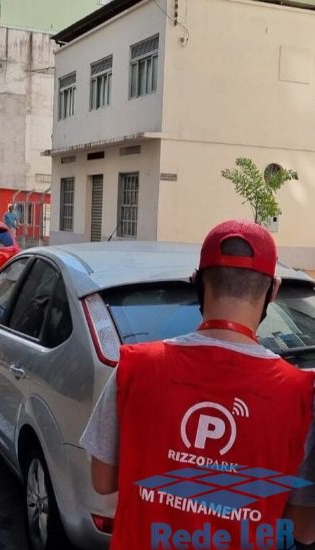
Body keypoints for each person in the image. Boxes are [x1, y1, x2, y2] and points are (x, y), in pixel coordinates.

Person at [80, 219, 315, 549]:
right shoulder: (302, 395)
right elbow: (303, 528)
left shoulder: (134, 367)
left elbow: (102, 481)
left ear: (196, 283)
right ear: (273, 290)